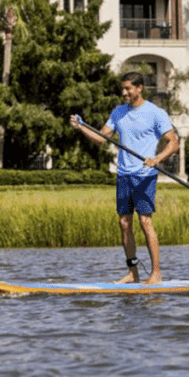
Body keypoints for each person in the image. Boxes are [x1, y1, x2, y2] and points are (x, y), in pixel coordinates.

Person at [71, 72, 179, 284]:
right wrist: (82, 127)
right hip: (124, 175)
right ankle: (133, 273)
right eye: (123, 89)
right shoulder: (118, 112)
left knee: (145, 222)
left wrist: (157, 159)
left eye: (128, 88)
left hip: (145, 175)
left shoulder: (155, 113)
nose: (124, 92)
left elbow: (173, 142)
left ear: (140, 88)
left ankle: (156, 273)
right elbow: (102, 138)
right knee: (124, 223)